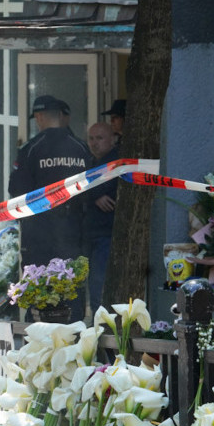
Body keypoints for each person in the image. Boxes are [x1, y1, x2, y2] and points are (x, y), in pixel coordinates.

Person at [7, 94, 92, 316]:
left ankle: (38, 335)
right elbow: (91, 190)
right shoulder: (81, 148)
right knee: (72, 283)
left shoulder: (32, 149)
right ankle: (74, 334)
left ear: (40, 117)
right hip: (74, 228)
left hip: (39, 231)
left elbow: (16, 191)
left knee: (38, 284)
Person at [84, 122, 119, 315]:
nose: (94, 143)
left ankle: (101, 328)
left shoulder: (116, 162)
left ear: (112, 139)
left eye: (100, 138)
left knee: (99, 285)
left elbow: (109, 188)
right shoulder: (90, 161)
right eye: (91, 138)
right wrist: (95, 195)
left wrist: (95, 193)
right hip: (90, 233)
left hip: (107, 234)